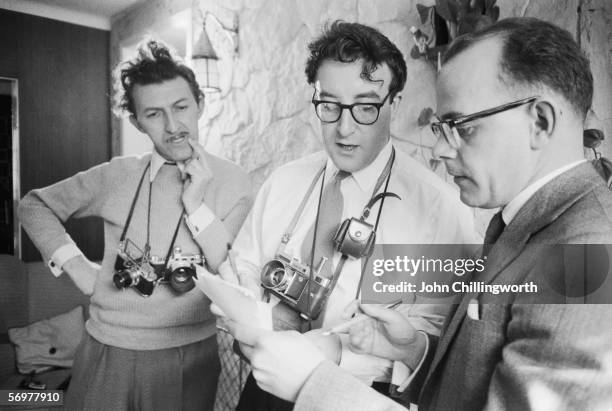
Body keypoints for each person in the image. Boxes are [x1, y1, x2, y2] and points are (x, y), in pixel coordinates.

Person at [228, 17, 612, 411]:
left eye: (461, 126)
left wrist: (316, 382)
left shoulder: (587, 252)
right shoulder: (521, 222)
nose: (440, 151)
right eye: (330, 105)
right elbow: (478, 367)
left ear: (541, 121)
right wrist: (414, 351)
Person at [210, 21, 477, 411]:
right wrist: (246, 308)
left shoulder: (441, 207)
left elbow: (433, 337)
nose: (344, 128)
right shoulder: (284, 181)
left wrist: (336, 353)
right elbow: (245, 265)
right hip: (264, 389)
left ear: (394, 105)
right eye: (330, 105)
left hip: (358, 396)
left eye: (366, 107)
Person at [17, 39, 252, 411]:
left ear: (200, 104)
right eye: (155, 114)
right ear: (136, 121)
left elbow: (235, 273)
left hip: (190, 357)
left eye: (181, 107)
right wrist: (78, 268)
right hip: (107, 350)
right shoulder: (117, 175)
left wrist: (197, 206)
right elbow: (33, 206)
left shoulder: (235, 181)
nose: (174, 126)